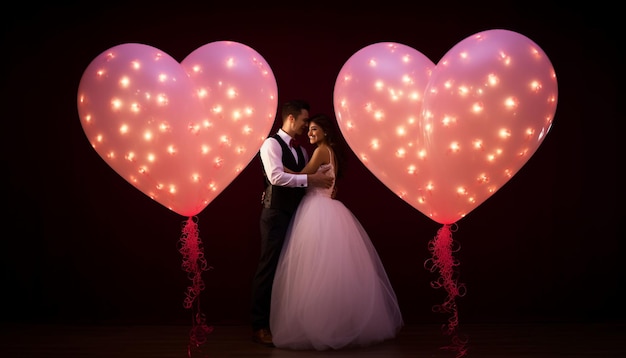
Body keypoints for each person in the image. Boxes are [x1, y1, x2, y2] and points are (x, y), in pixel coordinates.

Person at [270, 113, 404, 350]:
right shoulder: (330, 151)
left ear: (325, 131)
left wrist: (276, 169)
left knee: (315, 270)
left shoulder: (322, 150)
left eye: (313, 129)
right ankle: (334, 324)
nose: (309, 133)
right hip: (326, 207)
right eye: (308, 129)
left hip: (317, 209)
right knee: (329, 270)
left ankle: (319, 325)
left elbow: (305, 175)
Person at [251, 100, 334, 346]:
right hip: (276, 214)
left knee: (291, 270)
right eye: (303, 121)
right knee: (268, 267)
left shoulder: (301, 151)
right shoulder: (270, 144)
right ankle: (259, 325)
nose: (305, 127)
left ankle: (285, 322)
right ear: (290, 119)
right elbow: (276, 177)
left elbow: (302, 177)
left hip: (297, 215)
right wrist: (310, 181)